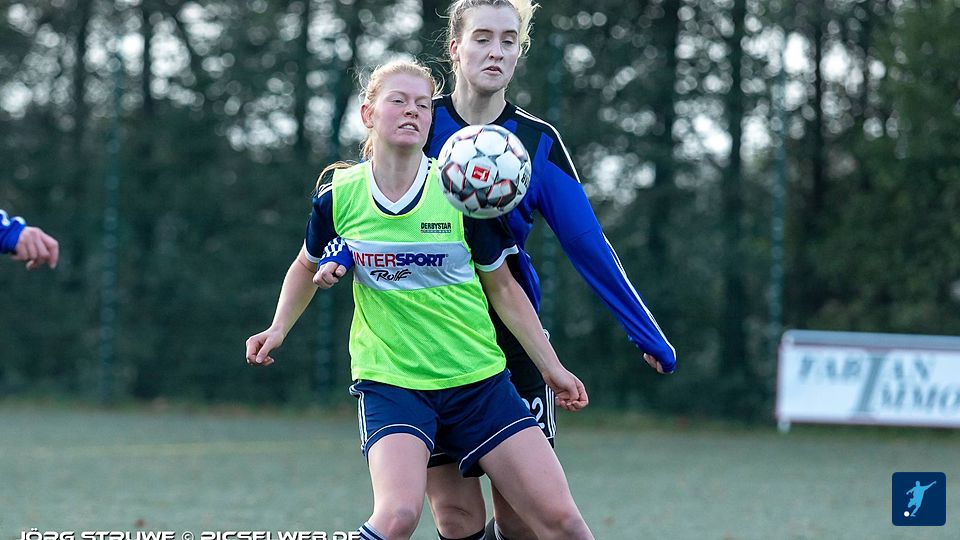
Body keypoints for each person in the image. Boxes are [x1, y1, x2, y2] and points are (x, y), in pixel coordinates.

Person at [316, 2, 678, 539]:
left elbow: (587, 242)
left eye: (509, 40)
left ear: (519, 52)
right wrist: (341, 253)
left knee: (523, 520)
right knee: (456, 515)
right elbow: (367, 207)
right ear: (455, 48)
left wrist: (644, 330)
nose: (496, 51)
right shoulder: (418, 119)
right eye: (482, 38)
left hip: (513, 342)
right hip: (426, 343)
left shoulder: (536, 141)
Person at [245, 59, 594, 540]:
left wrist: (551, 367)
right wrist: (278, 327)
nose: (413, 111)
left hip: (478, 381)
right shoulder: (338, 196)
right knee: (402, 517)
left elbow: (503, 288)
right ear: (368, 114)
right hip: (393, 384)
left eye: (423, 105)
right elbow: (306, 265)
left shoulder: (460, 194)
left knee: (562, 523)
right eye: (399, 101)